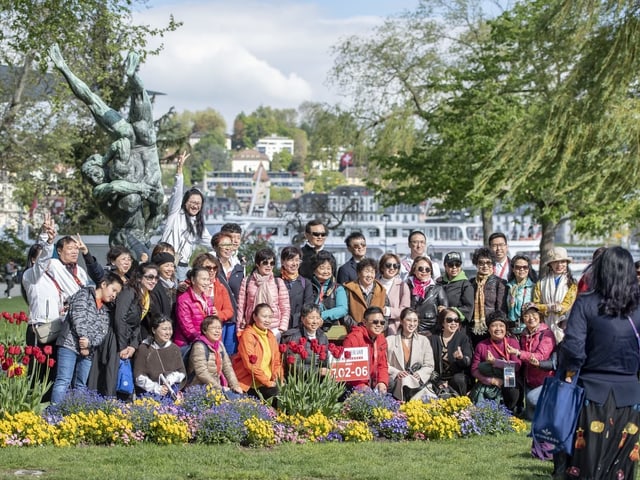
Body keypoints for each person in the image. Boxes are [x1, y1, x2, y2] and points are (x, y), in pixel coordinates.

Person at [557, 246, 640, 480]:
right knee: (622, 463)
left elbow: (573, 348)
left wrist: (571, 369)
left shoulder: (586, 303)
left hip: (591, 391)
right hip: (630, 394)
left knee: (586, 461)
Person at [51, 272, 123, 404]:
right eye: (113, 290)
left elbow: (102, 332)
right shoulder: (84, 294)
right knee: (63, 380)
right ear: (103, 284)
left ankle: (76, 413)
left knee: (81, 384)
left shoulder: (105, 309)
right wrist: (83, 340)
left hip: (88, 351)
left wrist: (89, 345)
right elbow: (78, 317)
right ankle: (55, 413)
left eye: (117, 293)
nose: (114, 295)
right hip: (69, 345)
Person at [88, 263, 155, 397]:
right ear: (140, 277)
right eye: (150, 277)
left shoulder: (144, 297)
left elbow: (137, 324)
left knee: (122, 381)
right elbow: (119, 318)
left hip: (126, 341)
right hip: (114, 339)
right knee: (109, 379)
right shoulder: (128, 291)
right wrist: (123, 345)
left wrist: (133, 345)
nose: (153, 281)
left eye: (156, 278)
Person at [160, 152, 212, 281]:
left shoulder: (198, 225)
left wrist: (228, 246)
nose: (195, 206)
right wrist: (179, 171)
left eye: (198, 203)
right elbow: (176, 193)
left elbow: (212, 243)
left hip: (183, 268)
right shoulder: (175, 213)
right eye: (192, 202)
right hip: (165, 264)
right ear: (185, 202)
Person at [505, 303, 555, 420]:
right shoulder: (524, 335)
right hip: (530, 381)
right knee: (530, 417)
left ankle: (554, 408)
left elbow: (540, 357)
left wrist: (518, 353)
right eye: (527, 316)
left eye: (534, 314)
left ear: (539, 316)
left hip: (545, 380)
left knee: (532, 398)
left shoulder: (547, 334)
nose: (531, 318)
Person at [470, 310, 522, 411]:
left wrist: (495, 362)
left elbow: (517, 366)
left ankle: (510, 410)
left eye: (501, 326)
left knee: (511, 386)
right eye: (494, 325)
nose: (498, 329)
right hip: (489, 380)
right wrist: (492, 381)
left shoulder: (512, 342)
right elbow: (474, 369)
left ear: (506, 328)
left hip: (509, 377)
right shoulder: (482, 345)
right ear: (489, 329)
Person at [232, 304, 284, 403]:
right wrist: (267, 382)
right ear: (254, 317)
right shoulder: (248, 335)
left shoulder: (270, 335)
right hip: (250, 384)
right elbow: (250, 365)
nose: (267, 320)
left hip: (268, 382)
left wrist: (279, 379)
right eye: (264, 316)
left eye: (270, 317)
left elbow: (276, 362)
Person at [236, 248, 290, 340]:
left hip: (273, 329)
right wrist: (239, 328)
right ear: (257, 264)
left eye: (272, 263)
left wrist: (282, 328)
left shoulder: (278, 282)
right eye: (265, 263)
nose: (269, 266)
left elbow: (285, 307)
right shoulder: (247, 281)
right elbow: (241, 306)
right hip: (252, 327)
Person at [387, 307, 435, 401]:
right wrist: (397, 373)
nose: (412, 324)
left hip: (417, 381)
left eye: (415, 321)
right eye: (408, 320)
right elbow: (384, 364)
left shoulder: (424, 341)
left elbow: (429, 365)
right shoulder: (389, 340)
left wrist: (420, 374)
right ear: (401, 321)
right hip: (398, 382)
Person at [533, 246, 578, 343]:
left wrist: (559, 308)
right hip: (544, 325)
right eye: (556, 262)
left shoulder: (572, 284)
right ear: (550, 264)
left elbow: (568, 304)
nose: (559, 265)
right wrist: (549, 307)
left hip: (564, 325)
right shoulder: (541, 283)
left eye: (562, 262)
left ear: (566, 263)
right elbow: (535, 305)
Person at [186, 316, 242, 393]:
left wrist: (235, 386)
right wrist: (219, 388)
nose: (217, 331)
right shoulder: (199, 346)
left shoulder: (220, 345)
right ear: (204, 330)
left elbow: (227, 367)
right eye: (213, 328)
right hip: (199, 389)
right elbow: (202, 372)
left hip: (215, 388)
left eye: (219, 328)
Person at [134, 315, 186, 398]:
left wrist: (170, 380)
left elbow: (182, 372)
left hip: (170, 393)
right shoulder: (144, 349)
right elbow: (138, 376)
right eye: (164, 329)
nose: (168, 332)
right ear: (154, 330)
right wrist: (156, 388)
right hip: (149, 395)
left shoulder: (174, 348)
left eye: (170, 329)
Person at [343, 306, 389, 393]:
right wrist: (361, 385)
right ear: (364, 322)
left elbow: (382, 365)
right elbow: (349, 368)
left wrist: (382, 382)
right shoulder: (353, 339)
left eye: (382, 322)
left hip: (373, 382)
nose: (379, 325)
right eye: (375, 322)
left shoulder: (381, 339)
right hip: (354, 385)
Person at [429, 307, 474, 396]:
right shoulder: (433, 339)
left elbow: (468, 361)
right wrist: (438, 381)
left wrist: (461, 358)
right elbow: (428, 363)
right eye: (449, 320)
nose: (453, 323)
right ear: (442, 322)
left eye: (456, 320)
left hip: (455, 379)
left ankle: (461, 403)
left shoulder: (463, 338)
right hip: (437, 378)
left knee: (459, 379)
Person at [469, 247, 508, 346]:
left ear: (493, 264)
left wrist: (496, 327)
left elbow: (501, 310)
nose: (485, 266)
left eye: (488, 263)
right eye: (481, 263)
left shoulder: (500, 283)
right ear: (477, 264)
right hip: (474, 327)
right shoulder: (471, 283)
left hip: (491, 329)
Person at [280, 303, 329, 376]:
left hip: (318, 380)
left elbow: (325, 362)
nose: (315, 322)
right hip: (299, 379)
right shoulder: (294, 338)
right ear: (302, 319)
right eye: (311, 318)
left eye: (318, 318)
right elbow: (294, 366)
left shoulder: (322, 337)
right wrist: (317, 371)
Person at [310, 251, 349, 339]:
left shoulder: (338, 288)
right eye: (322, 268)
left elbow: (343, 309)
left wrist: (321, 315)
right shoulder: (307, 286)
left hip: (332, 330)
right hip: (310, 330)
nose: (326, 271)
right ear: (314, 269)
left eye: (329, 268)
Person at [174, 266, 214, 348]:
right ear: (193, 280)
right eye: (203, 279)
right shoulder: (184, 299)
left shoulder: (207, 299)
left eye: (208, 280)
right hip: (187, 344)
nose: (206, 283)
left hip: (204, 342)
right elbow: (188, 329)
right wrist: (203, 341)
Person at [407, 256, 448, 335]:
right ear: (414, 270)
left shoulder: (438, 288)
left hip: (431, 331)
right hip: (411, 329)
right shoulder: (407, 286)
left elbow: (445, 311)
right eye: (420, 269)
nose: (424, 272)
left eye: (427, 269)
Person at [343, 258, 389, 329]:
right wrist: (358, 327)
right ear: (358, 273)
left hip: (376, 334)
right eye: (366, 271)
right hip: (355, 332)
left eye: (372, 272)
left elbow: (386, 314)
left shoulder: (381, 291)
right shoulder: (349, 289)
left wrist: (380, 327)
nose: (369, 275)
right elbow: (344, 314)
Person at [278, 246, 313, 330]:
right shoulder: (276, 281)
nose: (294, 264)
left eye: (297, 260)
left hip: (298, 327)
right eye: (291, 260)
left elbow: (308, 306)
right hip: (278, 325)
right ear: (282, 262)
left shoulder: (306, 283)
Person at [377, 253, 411, 335]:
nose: (392, 268)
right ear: (382, 267)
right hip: (376, 328)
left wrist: (388, 311)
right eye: (388, 265)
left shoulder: (402, 285)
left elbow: (405, 311)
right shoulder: (374, 284)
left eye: (395, 266)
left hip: (394, 330)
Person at [437, 251, 474, 324]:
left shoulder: (466, 285)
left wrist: (448, 310)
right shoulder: (439, 282)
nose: (454, 267)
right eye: (451, 265)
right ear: (445, 265)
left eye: (457, 265)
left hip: (457, 325)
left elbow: (468, 308)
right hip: (440, 325)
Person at [506, 254, 537, 330]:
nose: (522, 269)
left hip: (528, 329)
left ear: (529, 269)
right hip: (511, 330)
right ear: (513, 269)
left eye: (525, 267)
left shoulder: (534, 287)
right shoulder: (507, 287)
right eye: (518, 267)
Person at [212, 231, 244, 301]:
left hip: (234, 310)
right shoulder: (210, 268)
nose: (228, 248)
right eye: (224, 245)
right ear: (215, 247)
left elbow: (242, 296)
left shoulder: (239, 269)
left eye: (230, 245)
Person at [149, 251, 177, 323]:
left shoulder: (172, 285)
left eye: (172, 266)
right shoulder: (153, 286)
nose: (170, 269)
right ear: (158, 267)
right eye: (167, 266)